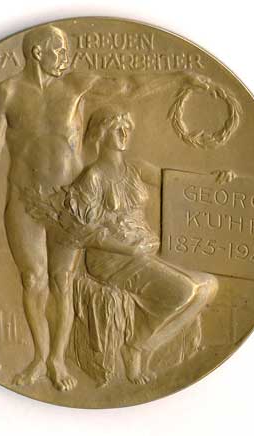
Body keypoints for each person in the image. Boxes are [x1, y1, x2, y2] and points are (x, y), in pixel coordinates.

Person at [0, 24, 211, 391]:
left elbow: (128, 86)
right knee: (32, 279)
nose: (65, 57)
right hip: (24, 199)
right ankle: (39, 358)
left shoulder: (75, 86)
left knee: (62, 281)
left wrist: (178, 78)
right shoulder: (7, 92)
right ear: (38, 53)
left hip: (70, 205)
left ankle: (57, 360)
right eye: (59, 51)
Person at [46, 105, 219, 384]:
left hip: (143, 253)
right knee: (185, 291)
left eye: (127, 128)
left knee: (209, 286)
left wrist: (213, 181)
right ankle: (136, 348)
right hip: (113, 260)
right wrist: (128, 248)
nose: (124, 133)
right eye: (117, 128)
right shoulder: (93, 178)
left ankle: (142, 344)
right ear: (101, 133)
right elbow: (84, 232)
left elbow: (173, 183)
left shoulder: (134, 168)